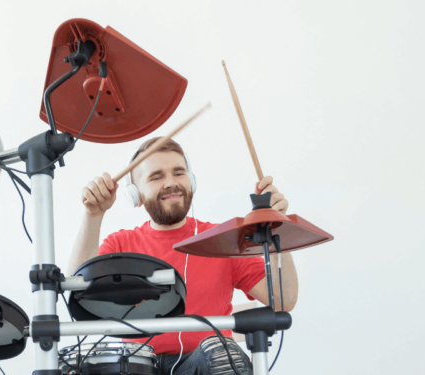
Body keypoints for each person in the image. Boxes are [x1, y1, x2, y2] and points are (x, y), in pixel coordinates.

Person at [68, 137, 298, 375]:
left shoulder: (223, 240)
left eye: (179, 173)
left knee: (221, 351)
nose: (170, 183)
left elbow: (284, 299)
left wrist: (277, 226)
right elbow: (76, 291)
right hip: (138, 366)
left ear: (191, 182)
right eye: (156, 177)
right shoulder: (120, 243)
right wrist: (93, 215)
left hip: (206, 364)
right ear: (135, 195)